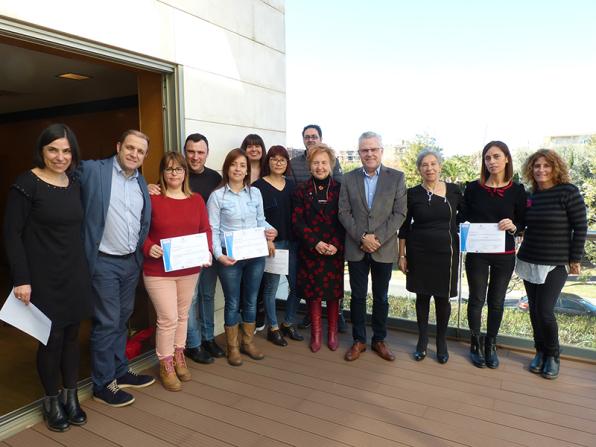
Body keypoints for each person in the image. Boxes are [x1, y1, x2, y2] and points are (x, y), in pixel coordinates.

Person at [4, 124, 93, 432]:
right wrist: (21, 278)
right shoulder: (27, 183)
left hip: (74, 271)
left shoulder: (74, 182)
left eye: (66, 150)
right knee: (51, 339)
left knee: (72, 337)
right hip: (41, 276)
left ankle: (72, 397)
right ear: (42, 150)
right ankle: (51, 400)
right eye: (53, 149)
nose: (60, 156)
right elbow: (12, 234)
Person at [79, 129, 155, 407]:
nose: (134, 154)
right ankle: (103, 383)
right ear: (118, 146)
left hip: (129, 262)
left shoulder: (140, 182)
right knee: (107, 322)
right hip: (103, 262)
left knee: (123, 319)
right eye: (130, 148)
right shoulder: (93, 171)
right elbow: (63, 172)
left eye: (140, 151)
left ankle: (120, 370)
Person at [143, 152, 213, 391]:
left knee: (183, 315)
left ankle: (179, 354)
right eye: (169, 169)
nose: (174, 173)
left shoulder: (197, 200)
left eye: (179, 169)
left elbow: (205, 230)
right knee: (168, 318)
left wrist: (207, 251)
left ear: (185, 173)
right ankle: (165, 362)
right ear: (162, 172)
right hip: (157, 270)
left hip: (189, 268)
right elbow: (139, 230)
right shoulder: (152, 198)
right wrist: (147, 246)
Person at [516, 149, 587, 379]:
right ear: (531, 169)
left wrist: (575, 258)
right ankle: (540, 352)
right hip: (529, 259)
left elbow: (581, 227)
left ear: (555, 167)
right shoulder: (531, 196)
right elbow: (521, 225)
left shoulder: (568, 192)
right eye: (537, 166)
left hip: (555, 263)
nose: (541, 170)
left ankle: (553, 355)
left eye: (546, 165)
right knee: (534, 311)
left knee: (545, 311)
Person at [339, 132, 407, 362]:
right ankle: (359, 340)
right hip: (356, 247)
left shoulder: (396, 177)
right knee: (357, 296)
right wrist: (362, 237)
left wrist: (375, 238)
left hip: (384, 247)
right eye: (364, 150)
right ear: (359, 153)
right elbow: (343, 212)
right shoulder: (348, 179)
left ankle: (379, 339)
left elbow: (400, 213)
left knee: (381, 296)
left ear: (381, 151)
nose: (369, 154)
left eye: (373, 149)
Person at [208, 149, 277, 366]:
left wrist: (270, 231)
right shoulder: (217, 196)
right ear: (227, 168)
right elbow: (213, 230)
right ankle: (233, 347)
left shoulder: (254, 193)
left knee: (250, 299)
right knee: (233, 302)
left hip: (255, 255)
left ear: (247, 170)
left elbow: (260, 221)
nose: (238, 169)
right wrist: (219, 256)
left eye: (243, 166)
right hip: (230, 258)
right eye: (234, 165)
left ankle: (248, 342)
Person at [462, 141, 526, 369]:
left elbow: (522, 223)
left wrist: (513, 225)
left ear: (506, 158)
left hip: (504, 255)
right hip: (478, 254)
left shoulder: (517, 190)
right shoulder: (472, 188)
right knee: (476, 300)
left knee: (496, 302)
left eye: (496, 157)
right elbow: (462, 217)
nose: (491, 162)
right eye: (487, 158)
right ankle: (475, 342)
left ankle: (491, 344)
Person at [398, 150, 462, 364]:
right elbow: (404, 228)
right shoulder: (412, 194)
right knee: (422, 297)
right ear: (419, 169)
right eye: (424, 165)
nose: (429, 168)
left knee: (443, 299)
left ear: (440, 166)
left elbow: (469, 217)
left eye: (433, 163)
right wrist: (402, 255)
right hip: (419, 252)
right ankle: (423, 340)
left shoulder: (455, 191)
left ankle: (442, 341)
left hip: (447, 253)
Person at [291, 124, 345, 331]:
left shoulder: (340, 189)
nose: (320, 167)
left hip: (334, 250)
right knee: (312, 294)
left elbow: (344, 220)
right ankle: (315, 334)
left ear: (330, 164)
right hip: (311, 249)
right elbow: (297, 221)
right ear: (309, 165)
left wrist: (335, 244)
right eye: (316, 163)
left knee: (333, 294)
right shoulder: (301, 190)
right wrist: (315, 243)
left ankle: (331, 334)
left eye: (324, 163)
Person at [252, 146, 303, 346]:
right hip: (273, 245)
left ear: (287, 163)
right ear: (268, 162)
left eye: (282, 159)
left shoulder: (292, 186)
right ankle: (273, 327)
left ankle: (288, 322)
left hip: (293, 242)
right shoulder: (258, 187)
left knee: (297, 286)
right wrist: (268, 240)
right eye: (274, 159)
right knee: (271, 288)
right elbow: (256, 219)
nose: (278, 162)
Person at [182, 133, 225, 364]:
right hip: (184, 250)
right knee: (191, 298)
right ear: (184, 152)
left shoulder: (214, 178)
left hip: (208, 247)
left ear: (207, 153)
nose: (195, 156)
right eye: (191, 151)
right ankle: (193, 343)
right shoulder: (177, 174)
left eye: (200, 152)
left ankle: (208, 338)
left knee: (208, 295)